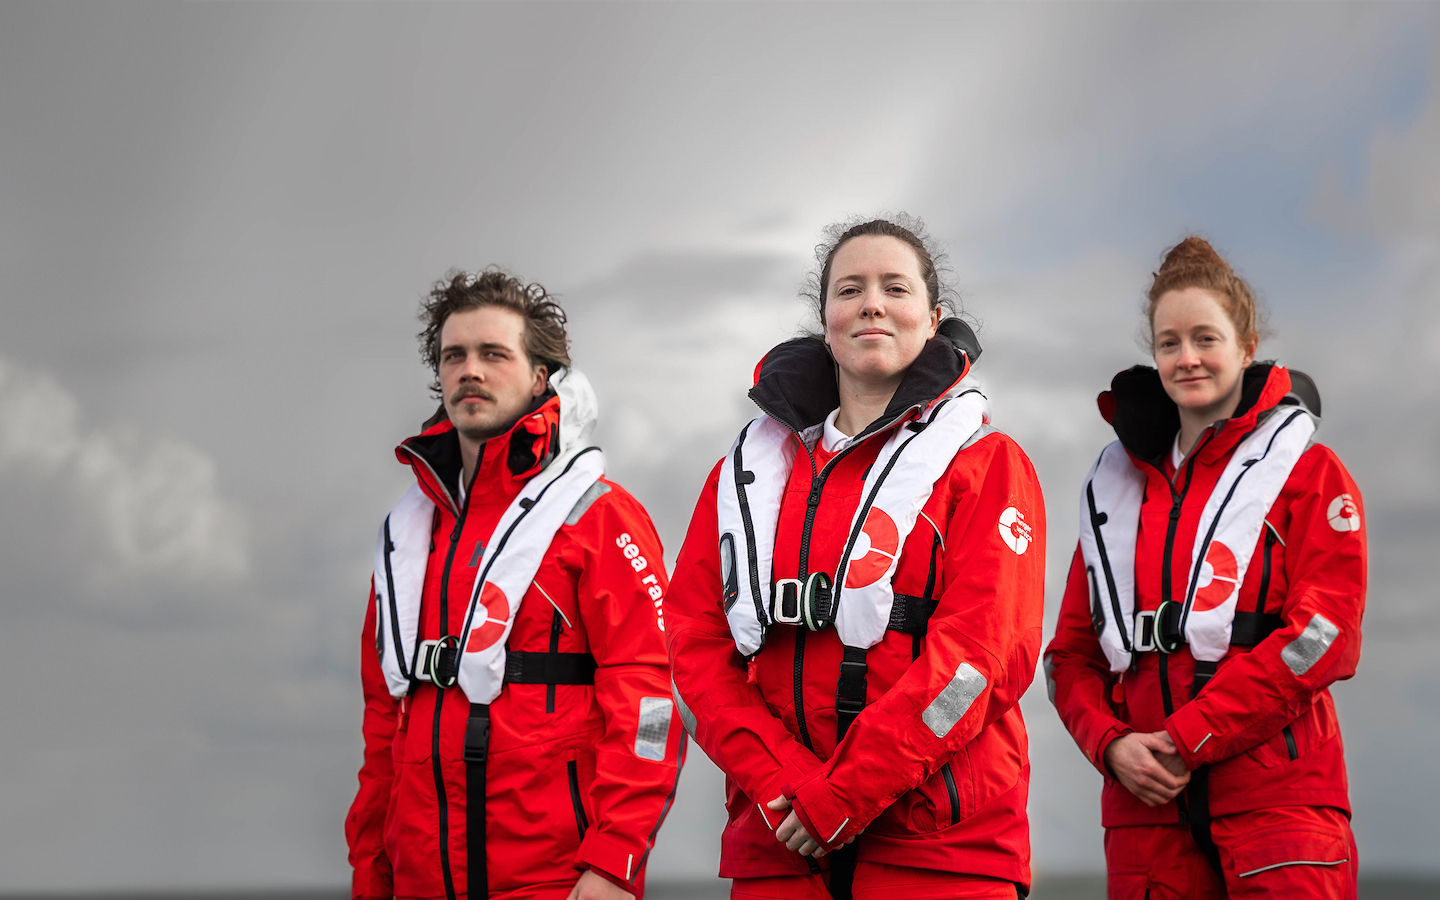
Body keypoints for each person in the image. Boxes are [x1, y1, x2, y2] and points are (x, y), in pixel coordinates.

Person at [665, 217, 1047, 900]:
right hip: (779, 848)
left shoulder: (987, 465)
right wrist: (785, 785)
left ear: (932, 319)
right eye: (851, 289)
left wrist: (846, 792)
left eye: (893, 287)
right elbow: (693, 649)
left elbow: (980, 661)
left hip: (938, 853)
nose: (872, 303)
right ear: (826, 320)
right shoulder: (746, 479)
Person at [346, 269, 685, 900]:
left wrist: (616, 861)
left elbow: (652, 702)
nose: (470, 370)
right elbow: (379, 727)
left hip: (555, 883)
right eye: (455, 356)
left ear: (539, 377)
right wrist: (370, 872)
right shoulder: (406, 540)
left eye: (493, 354)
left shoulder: (598, 514)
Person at [1044, 237, 1365, 899]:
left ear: (1247, 346)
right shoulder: (1115, 493)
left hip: (1277, 809)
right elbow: (1070, 656)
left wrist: (1189, 737)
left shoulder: (1308, 475)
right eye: (1168, 343)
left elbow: (1324, 639)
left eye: (1204, 338)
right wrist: (1110, 746)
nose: (1186, 358)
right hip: (1144, 818)